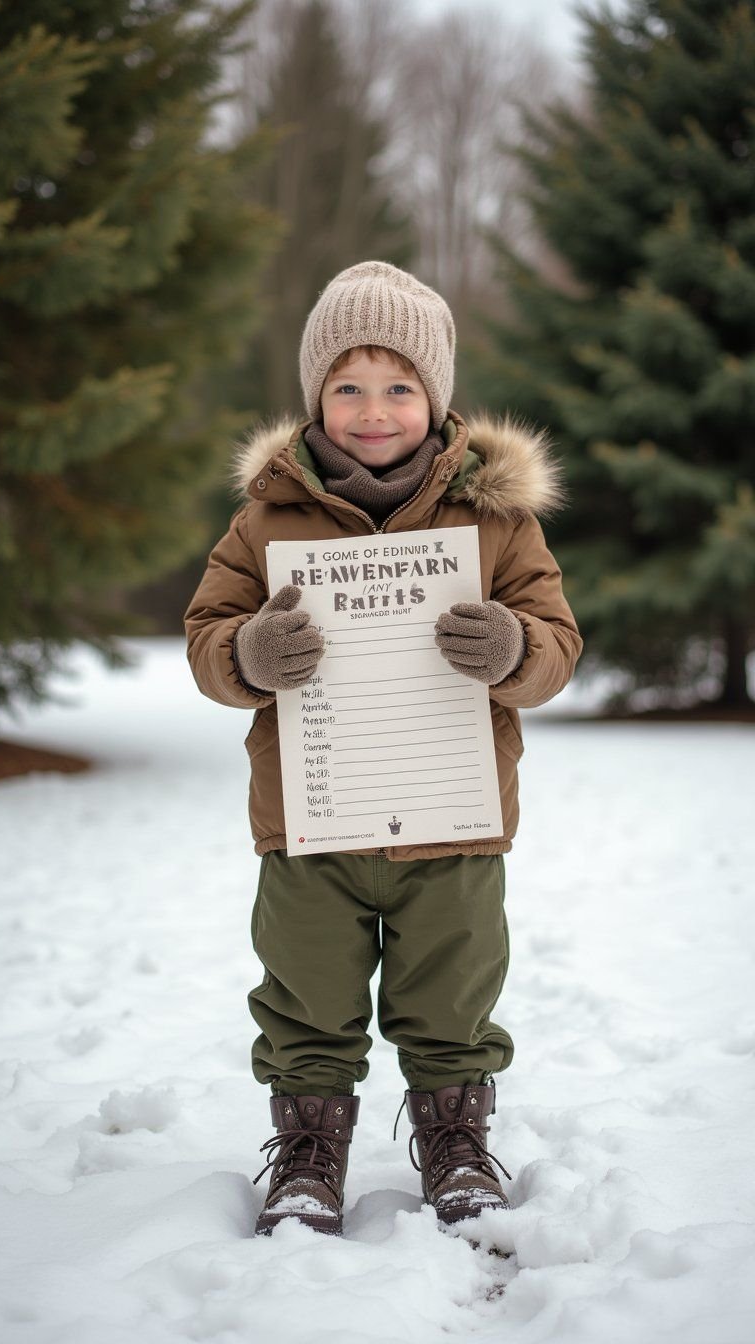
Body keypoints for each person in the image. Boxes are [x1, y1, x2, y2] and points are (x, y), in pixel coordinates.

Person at [184, 261, 582, 1238]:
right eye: (349, 385)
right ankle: (311, 1151)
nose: (374, 410)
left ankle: (456, 1139)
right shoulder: (266, 522)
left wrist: (513, 648)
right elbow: (206, 640)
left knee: (451, 993)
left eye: (399, 386)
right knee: (306, 995)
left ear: (435, 396)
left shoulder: (495, 520)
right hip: (310, 824)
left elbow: (558, 642)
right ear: (316, 393)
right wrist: (247, 651)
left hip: (452, 820)